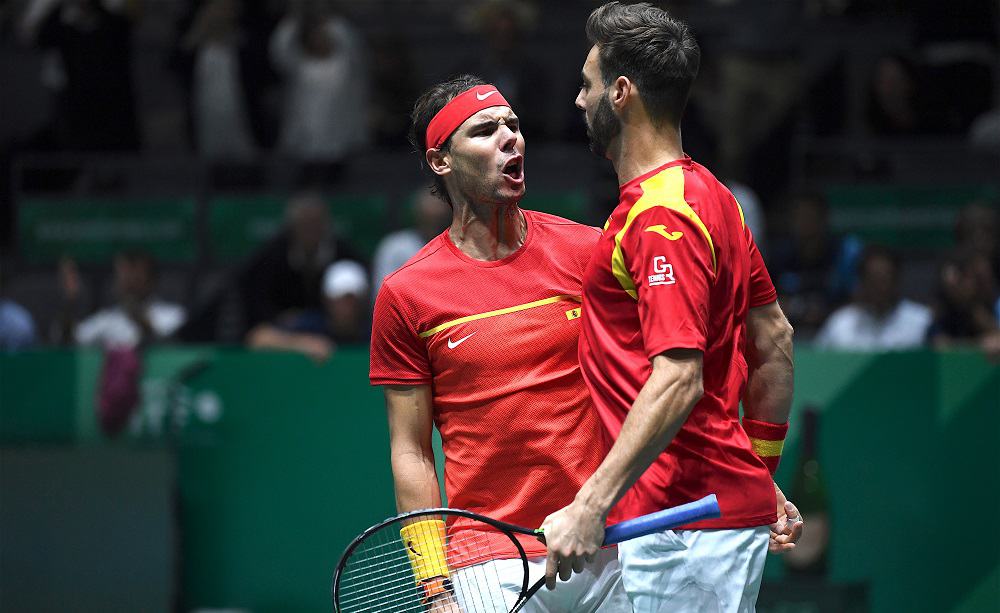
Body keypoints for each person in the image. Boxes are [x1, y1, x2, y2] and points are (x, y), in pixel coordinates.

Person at [542, 3, 801, 611]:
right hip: (697, 514)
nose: (580, 100)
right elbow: (776, 342)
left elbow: (678, 378)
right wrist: (758, 473)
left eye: (588, 84)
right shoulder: (714, 196)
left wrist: (589, 504)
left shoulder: (662, 219)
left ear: (622, 92)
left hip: (682, 523)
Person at [369, 75, 631, 612]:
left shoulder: (588, 250)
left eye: (513, 125)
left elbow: (655, 384)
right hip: (489, 560)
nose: (510, 137)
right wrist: (433, 585)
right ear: (441, 161)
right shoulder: (407, 293)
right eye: (486, 130)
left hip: (608, 543)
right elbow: (413, 453)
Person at [247, 258, 369, 361]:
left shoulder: (374, 332)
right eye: (338, 299)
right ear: (326, 299)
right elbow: (258, 339)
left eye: (350, 299)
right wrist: (303, 344)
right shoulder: (311, 324)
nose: (345, 306)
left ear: (362, 300)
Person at [59, 251, 186, 348]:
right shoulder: (106, 319)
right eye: (124, 277)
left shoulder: (173, 315)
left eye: (136, 277)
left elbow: (166, 345)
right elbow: (70, 340)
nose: (129, 282)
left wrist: (137, 315)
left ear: (152, 280)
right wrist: (69, 302)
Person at [815, 245, 932, 350]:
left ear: (896, 280)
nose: (878, 286)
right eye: (872, 279)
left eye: (884, 278)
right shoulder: (840, 324)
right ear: (861, 282)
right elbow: (818, 365)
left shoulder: (922, 321)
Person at [371, 187, 452, 296]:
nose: (433, 226)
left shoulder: (457, 247)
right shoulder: (396, 247)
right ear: (418, 217)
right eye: (428, 220)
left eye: (439, 220)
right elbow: (383, 293)